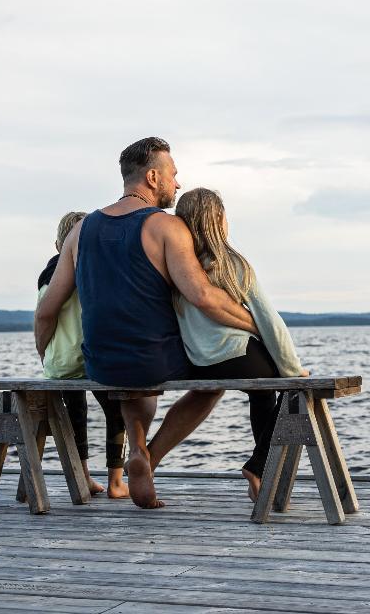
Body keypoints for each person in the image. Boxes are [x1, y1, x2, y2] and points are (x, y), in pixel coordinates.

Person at [34, 136, 258, 508]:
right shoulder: (166, 227)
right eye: (173, 174)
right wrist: (253, 323)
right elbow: (202, 296)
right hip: (156, 359)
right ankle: (149, 457)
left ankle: (137, 449)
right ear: (153, 177)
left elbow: (47, 311)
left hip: (101, 362)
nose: (178, 184)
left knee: (132, 382)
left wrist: (46, 358)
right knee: (212, 382)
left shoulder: (80, 230)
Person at [173, 188, 308, 501]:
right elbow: (270, 322)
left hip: (198, 364)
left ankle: (262, 475)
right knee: (298, 392)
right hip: (236, 353)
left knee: (262, 395)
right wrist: (293, 370)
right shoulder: (232, 264)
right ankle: (258, 466)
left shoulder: (179, 271)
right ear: (219, 221)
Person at [36, 211, 128, 499]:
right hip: (93, 359)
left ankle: (83, 477)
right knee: (117, 411)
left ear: (57, 244)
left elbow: (44, 318)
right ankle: (115, 481)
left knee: (74, 415)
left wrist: (45, 354)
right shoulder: (94, 269)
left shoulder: (46, 274)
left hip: (59, 362)